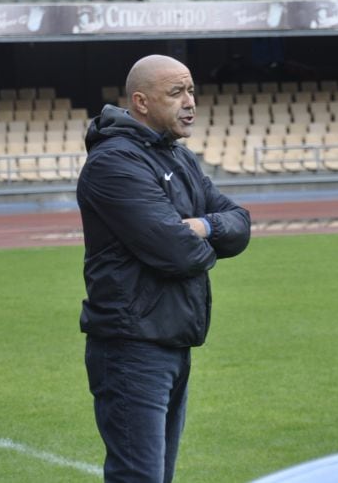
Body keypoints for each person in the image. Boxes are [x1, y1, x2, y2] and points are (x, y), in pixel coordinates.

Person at [77, 54, 251, 483]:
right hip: (131, 347)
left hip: (171, 338)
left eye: (191, 90)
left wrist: (203, 226)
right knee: (139, 477)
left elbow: (241, 223)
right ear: (141, 102)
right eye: (176, 93)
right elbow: (179, 253)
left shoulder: (178, 157)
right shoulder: (114, 164)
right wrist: (206, 240)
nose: (189, 102)